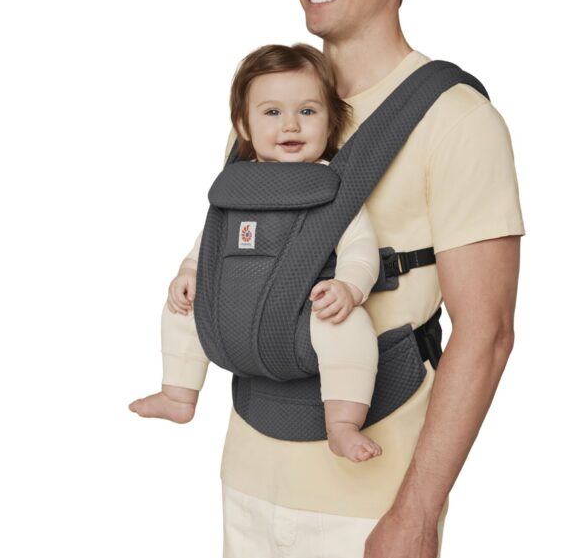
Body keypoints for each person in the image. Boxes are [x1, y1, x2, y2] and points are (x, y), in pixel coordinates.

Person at [135, 0, 524, 558]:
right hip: (249, 478)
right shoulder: (275, 102)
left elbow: (487, 335)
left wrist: (414, 516)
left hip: (369, 499)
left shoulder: (454, 119)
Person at [130, 41, 385, 462]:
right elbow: (209, 242)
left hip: (301, 321)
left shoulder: (331, 190)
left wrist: (349, 287)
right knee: (180, 306)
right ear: (243, 126)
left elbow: (361, 247)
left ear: (332, 122)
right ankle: (178, 394)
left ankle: (342, 423)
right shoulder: (238, 186)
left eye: (308, 111)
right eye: (272, 113)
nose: (291, 126)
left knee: (349, 325)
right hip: (231, 316)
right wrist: (189, 273)